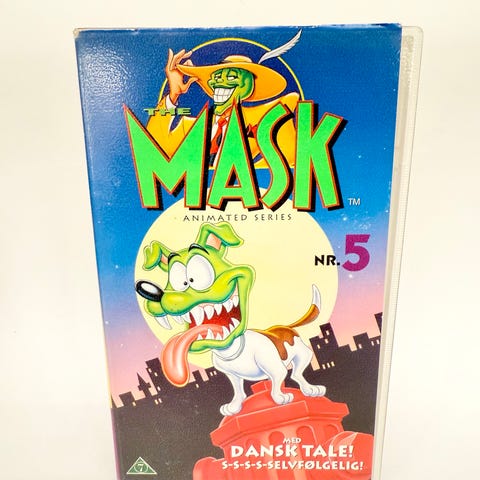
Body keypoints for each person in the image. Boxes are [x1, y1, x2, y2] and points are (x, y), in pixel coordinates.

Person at [146, 45, 300, 168]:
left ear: (249, 87)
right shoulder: (189, 127)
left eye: (231, 77)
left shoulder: (266, 122)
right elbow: (152, 151)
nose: (220, 82)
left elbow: (290, 160)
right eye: (217, 77)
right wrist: (173, 95)